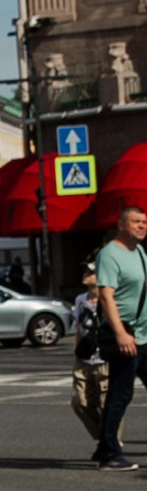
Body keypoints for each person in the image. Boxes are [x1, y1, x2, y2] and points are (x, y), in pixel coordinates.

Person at [85, 200, 147, 470]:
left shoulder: (140, 252)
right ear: (121, 225)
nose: (142, 226)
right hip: (126, 335)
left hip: (143, 336)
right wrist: (121, 334)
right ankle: (109, 454)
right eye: (136, 222)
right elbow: (106, 297)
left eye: (144, 223)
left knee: (119, 395)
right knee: (120, 395)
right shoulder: (110, 254)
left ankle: (104, 449)